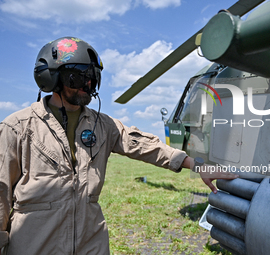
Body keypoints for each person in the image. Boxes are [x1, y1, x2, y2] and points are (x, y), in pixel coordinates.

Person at [0, 37, 238, 254]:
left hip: (90, 243)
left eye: (92, 77)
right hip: (34, 246)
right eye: (79, 76)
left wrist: (197, 165)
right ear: (52, 77)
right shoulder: (18, 128)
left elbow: (145, 146)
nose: (88, 84)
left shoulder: (103, 125)